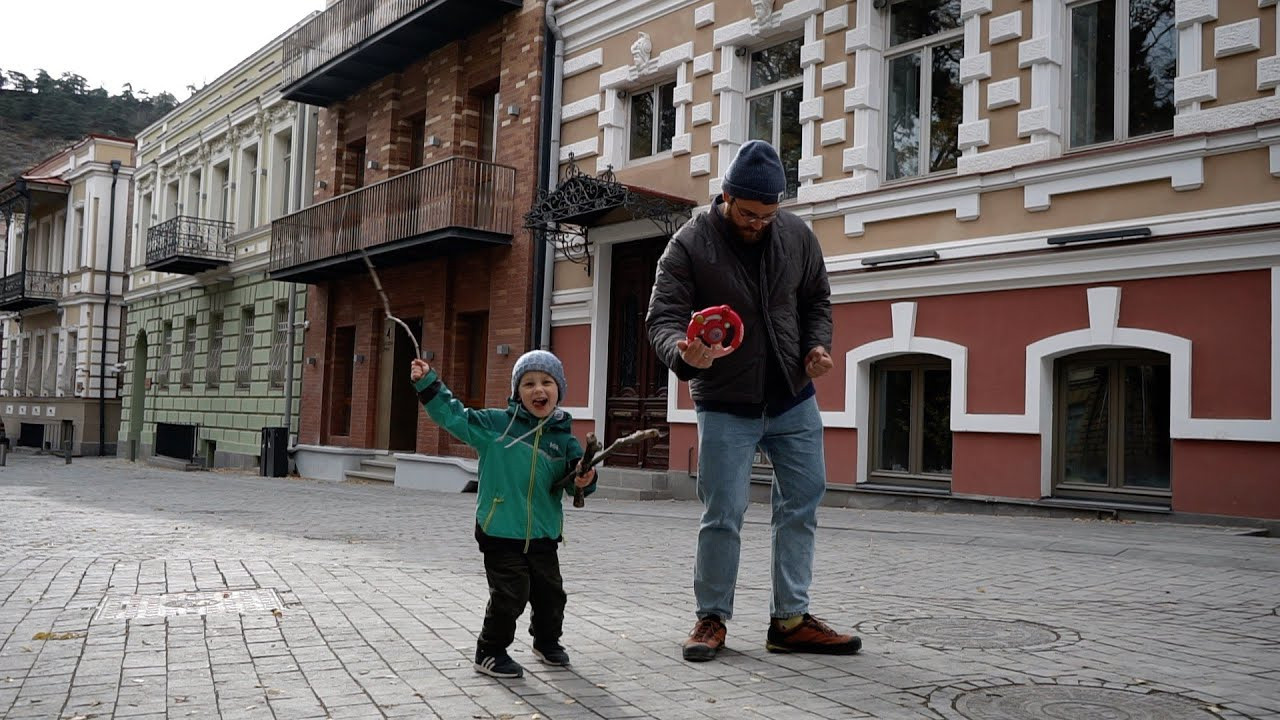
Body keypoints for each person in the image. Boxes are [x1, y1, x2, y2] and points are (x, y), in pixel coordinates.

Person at [646, 139, 861, 662]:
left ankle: (789, 621)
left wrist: (816, 346)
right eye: (749, 213)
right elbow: (662, 319)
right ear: (726, 196)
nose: (759, 223)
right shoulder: (689, 244)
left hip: (792, 396)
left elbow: (817, 300)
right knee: (724, 511)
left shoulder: (796, 235)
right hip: (725, 401)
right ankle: (711, 619)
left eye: (769, 213)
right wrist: (683, 353)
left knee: (803, 503)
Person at [410, 350, 597, 679]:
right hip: (499, 529)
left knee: (551, 595)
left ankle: (546, 641)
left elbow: (577, 485)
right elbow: (454, 416)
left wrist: (585, 478)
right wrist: (428, 384)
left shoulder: (564, 440)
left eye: (546, 382)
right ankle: (490, 650)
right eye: (528, 383)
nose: (538, 390)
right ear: (516, 391)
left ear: (559, 389)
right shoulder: (495, 426)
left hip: (543, 532)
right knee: (511, 595)